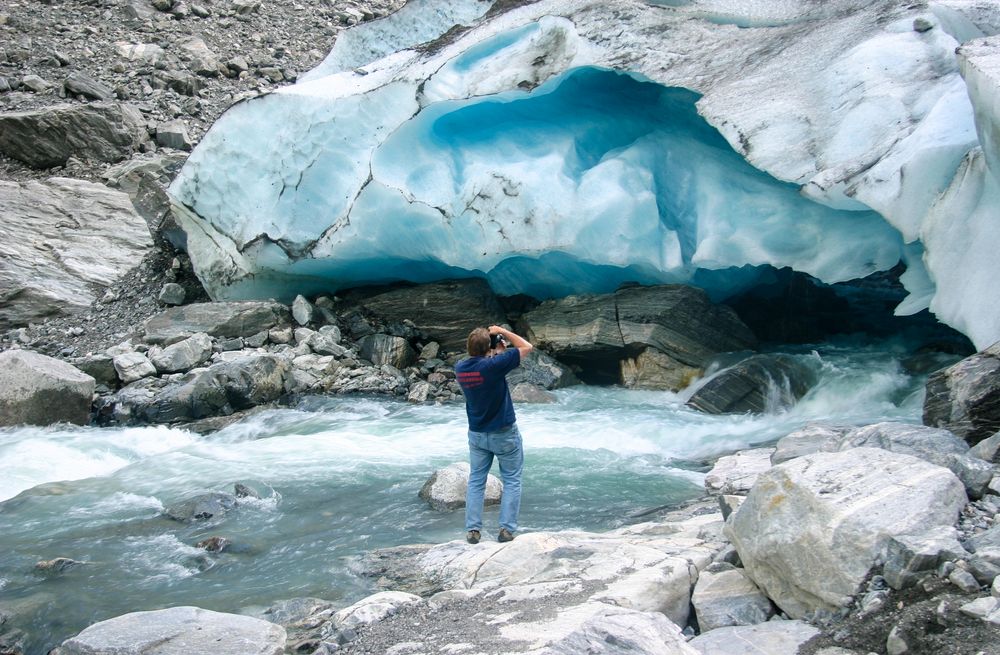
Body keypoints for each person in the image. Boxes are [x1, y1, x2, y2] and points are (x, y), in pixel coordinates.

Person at [455, 324, 533, 544]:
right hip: (504, 433)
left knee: (476, 481)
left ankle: (473, 530)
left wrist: (495, 352)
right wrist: (503, 332)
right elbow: (527, 347)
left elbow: (485, 366)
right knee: (512, 480)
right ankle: (506, 530)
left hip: (478, 434)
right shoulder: (493, 366)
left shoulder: (461, 367)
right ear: (487, 349)